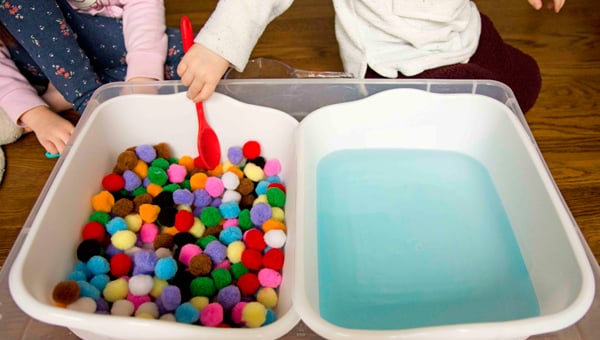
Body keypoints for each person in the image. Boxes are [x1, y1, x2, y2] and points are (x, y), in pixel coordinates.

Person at [177, 0, 565, 113]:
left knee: (526, 79)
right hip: (397, 61)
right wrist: (218, 45)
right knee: (470, 109)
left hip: (462, 28)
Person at [0, 0, 184, 155]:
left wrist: (142, 78)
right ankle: (84, 96)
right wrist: (37, 115)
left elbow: (141, 5)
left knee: (187, 59)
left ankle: (65, 93)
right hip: (40, 62)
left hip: (97, 37)